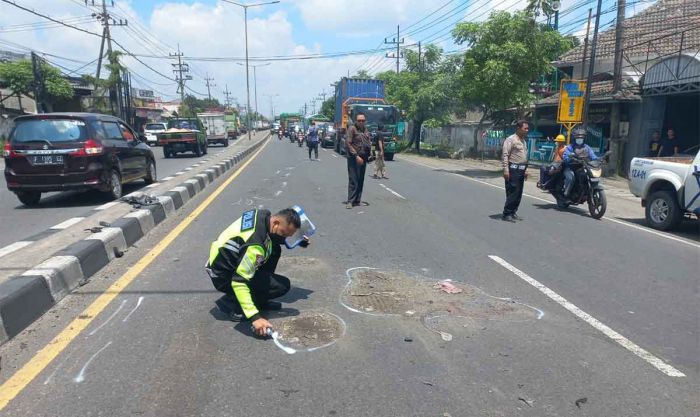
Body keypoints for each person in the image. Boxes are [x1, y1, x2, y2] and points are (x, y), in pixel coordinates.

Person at [205, 208, 309, 337]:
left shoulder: (262, 215)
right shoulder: (255, 246)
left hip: (223, 261)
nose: (284, 237)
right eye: (284, 234)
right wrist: (255, 318)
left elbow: (273, 237)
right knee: (282, 285)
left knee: (274, 248)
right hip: (224, 276)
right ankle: (234, 305)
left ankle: (260, 298)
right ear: (276, 222)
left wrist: (298, 241)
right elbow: (239, 282)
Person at [501, 120, 530, 222]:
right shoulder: (510, 140)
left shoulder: (523, 141)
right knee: (512, 192)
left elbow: (524, 156)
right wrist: (506, 170)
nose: (527, 130)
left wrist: (526, 170)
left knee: (518, 193)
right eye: (525, 128)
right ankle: (507, 213)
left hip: (521, 170)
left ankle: (513, 212)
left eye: (527, 128)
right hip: (512, 169)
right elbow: (505, 155)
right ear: (518, 128)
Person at [345, 113, 372, 209]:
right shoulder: (352, 129)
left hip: (363, 157)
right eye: (359, 120)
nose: (361, 122)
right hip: (354, 158)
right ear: (356, 121)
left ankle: (357, 200)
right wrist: (356, 156)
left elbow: (368, 142)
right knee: (353, 179)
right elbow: (348, 143)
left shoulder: (365, 129)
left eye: (363, 120)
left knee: (360, 179)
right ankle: (350, 201)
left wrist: (370, 154)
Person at [562, 128, 598, 199]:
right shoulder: (570, 147)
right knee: (571, 177)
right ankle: (566, 192)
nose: (579, 139)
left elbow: (593, 156)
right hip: (571, 167)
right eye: (578, 138)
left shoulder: (587, 147)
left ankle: (585, 190)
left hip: (583, 166)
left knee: (591, 175)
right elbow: (565, 157)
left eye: (581, 138)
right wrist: (570, 157)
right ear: (574, 138)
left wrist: (599, 159)